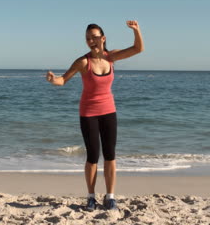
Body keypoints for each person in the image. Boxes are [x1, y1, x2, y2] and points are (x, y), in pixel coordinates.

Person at [46, 20, 144, 211]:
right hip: (88, 113)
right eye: (88, 38)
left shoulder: (111, 57)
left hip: (109, 111)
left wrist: (136, 31)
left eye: (94, 37)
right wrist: (52, 80)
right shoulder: (83, 62)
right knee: (92, 156)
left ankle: (110, 197)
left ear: (103, 38)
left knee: (110, 155)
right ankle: (91, 197)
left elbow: (137, 49)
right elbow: (63, 80)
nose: (91, 41)